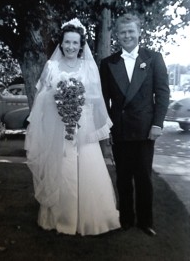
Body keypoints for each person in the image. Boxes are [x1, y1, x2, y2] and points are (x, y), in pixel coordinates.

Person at [25, 18, 120, 236]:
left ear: (81, 45)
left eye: (75, 43)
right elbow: (42, 96)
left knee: (88, 169)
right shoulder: (51, 66)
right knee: (62, 168)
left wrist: (78, 97)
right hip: (59, 127)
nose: (70, 47)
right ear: (61, 43)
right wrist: (59, 97)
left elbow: (97, 97)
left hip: (83, 125)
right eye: (67, 42)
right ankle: (61, 218)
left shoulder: (88, 66)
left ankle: (92, 218)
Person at [100, 13, 170, 236]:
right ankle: (127, 219)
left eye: (131, 31)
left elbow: (162, 93)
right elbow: (103, 100)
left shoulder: (153, 58)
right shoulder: (108, 63)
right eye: (123, 32)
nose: (127, 35)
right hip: (120, 128)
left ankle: (146, 221)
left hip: (144, 129)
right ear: (117, 36)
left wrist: (157, 124)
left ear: (139, 32)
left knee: (144, 178)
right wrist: (108, 127)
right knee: (122, 177)